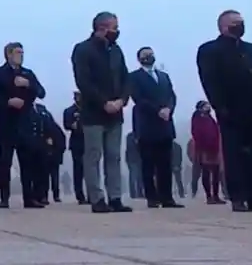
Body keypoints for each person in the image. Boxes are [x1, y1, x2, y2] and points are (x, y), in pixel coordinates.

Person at [197, 10, 252, 212]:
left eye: (241, 22)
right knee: (234, 155)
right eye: (235, 23)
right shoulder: (210, 50)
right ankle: (238, 197)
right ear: (223, 26)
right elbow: (209, 80)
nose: (240, 25)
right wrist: (220, 106)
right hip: (231, 110)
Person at [70, 11, 131, 214]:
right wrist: (103, 102)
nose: (117, 31)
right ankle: (96, 198)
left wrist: (122, 100)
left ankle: (115, 198)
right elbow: (83, 81)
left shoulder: (116, 50)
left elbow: (125, 77)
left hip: (116, 112)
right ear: (102, 27)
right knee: (93, 155)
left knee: (114, 156)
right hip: (94, 112)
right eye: (114, 27)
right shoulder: (83, 50)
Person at [0, 42, 45, 209]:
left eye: (22, 52)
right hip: (6, 122)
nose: (21, 55)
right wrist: (7, 102)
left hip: (25, 122)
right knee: (5, 162)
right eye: (18, 52)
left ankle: (29, 198)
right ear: (8, 54)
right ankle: (4, 198)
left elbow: (41, 92)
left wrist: (28, 85)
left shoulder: (28, 74)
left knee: (27, 163)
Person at [128, 46, 181, 209]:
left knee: (166, 163)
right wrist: (157, 110)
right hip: (147, 125)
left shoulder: (163, 76)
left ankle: (167, 198)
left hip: (165, 125)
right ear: (139, 59)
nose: (149, 57)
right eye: (145, 55)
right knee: (148, 164)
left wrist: (168, 109)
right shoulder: (134, 77)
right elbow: (138, 98)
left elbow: (172, 95)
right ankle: (151, 197)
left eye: (151, 54)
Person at [189, 101, 224, 204]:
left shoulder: (210, 118)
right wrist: (203, 144)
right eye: (205, 105)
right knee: (206, 173)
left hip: (214, 149)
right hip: (204, 149)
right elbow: (196, 132)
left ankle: (216, 196)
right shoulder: (197, 117)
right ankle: (209, 196)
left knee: (216, 173)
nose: (208, 107)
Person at [62, 92, 87, 204]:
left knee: (90, 169)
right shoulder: (69, 111)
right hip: (76, 142)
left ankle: (93, 194)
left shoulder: (88, 109)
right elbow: (66, 125)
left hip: (89, 142)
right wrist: (72, 125)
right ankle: (80, 195)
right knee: (78, 170)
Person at [39, 103, 65, 203]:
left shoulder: (46, 127)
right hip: (50, 155)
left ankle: (46, 196)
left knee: (47, 176)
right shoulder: (56, 128)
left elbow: (62, 143)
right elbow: (62, 142)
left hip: (50, 155)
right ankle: (54, 195)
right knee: (52, 176)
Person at [124, 132, 144, 199]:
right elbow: (130, 147)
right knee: (133, 176)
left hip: (139, 158)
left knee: (140, 177)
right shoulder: (130, 136)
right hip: (132, 159)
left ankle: (139, 192)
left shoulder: (140, 135)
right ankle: (133, 194)